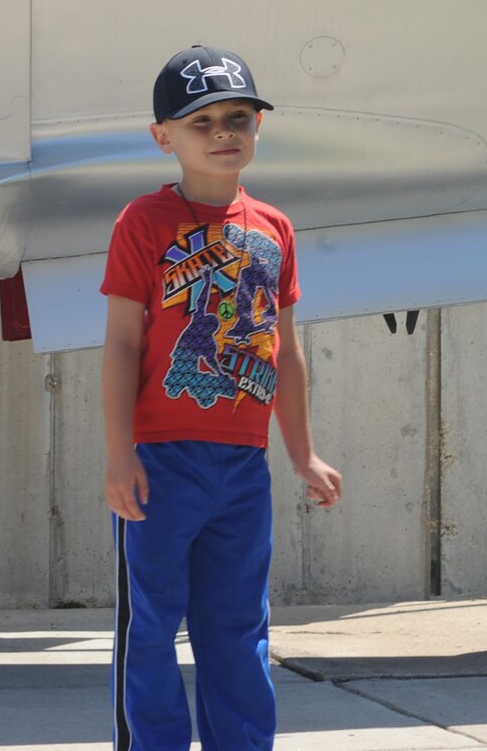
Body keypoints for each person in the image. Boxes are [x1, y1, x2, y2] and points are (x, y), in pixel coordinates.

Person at [99, 44, 342, 751]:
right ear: (163, 137)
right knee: (151, 626)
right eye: (201, 122)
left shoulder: (274, 228)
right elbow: (119, 344)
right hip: (160, 465)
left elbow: (284, 350)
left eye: (238, 117)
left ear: (259, 127)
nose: (223, 133)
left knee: (237, 627)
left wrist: (303, 453)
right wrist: (120, 455)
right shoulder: (142, 224)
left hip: (241, 468)